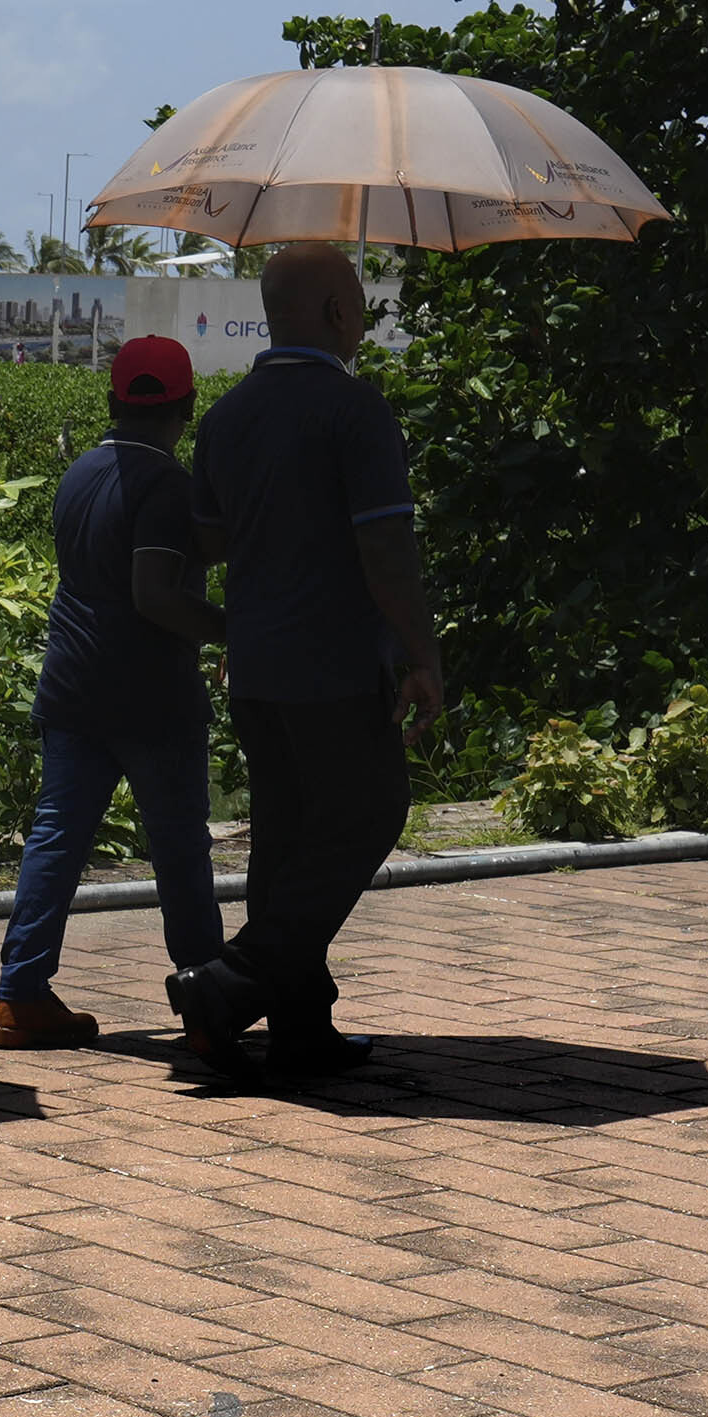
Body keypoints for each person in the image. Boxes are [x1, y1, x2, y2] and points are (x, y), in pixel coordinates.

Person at [176, 245, 445, 1083]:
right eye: (358, 300)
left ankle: (300, 1026)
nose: (362, 315)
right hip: (332, 663)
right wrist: (423, 653)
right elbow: (387, 549)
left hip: (255, 666)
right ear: (336, 313)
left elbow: (209, 539)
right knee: (370, 812)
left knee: (286, 841)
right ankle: (230, 983)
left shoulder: (226, 418)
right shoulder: (355, 410)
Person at [0, 334, 232, 1051]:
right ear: (188, 405)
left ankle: (20, 997)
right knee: (181, 849)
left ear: (111, 402)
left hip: (72, 687)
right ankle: (205, 997)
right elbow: (155, 595)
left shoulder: (79, 474)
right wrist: (232, 629)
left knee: (56, 840)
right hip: (151, 697)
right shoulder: (166, 486)